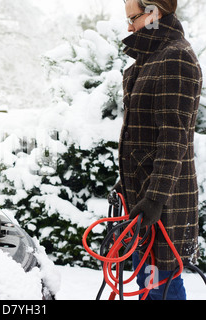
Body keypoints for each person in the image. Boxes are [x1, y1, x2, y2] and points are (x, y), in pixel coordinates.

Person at [110, 0, 203, 299]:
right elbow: (143, 138)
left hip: (163, 205)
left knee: (160, 288)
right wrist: (125, 180)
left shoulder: (175, 58)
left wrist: (154, 199)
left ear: (153, 14)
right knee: (146, 285)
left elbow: (173, 140)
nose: (128, 27)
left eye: (133, 18)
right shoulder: (148, 61)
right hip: (143, 202)